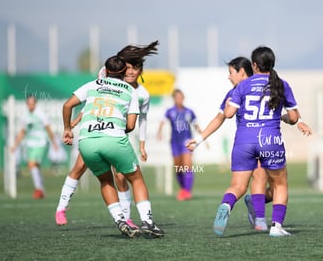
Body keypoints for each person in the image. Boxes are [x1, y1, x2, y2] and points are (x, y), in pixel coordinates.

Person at [187, 57, 311, 232]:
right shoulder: (274, 84)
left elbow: (222, 117)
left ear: (244, 71)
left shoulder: (239, 90)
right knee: (271, 182)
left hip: (244, 142)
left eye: (230, 73)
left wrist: (200, 139)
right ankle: (261, 219)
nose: (228, 77)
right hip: (267, 140)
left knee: (241, 185)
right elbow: (290, 113)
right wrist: (298, 121)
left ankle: (235, 207)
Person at [62, 41, 164, 238]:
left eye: (136, 67)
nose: (132, 71)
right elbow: (132, 125)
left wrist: (69, 127)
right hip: (114, 137)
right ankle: (148, 222)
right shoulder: (131, 92)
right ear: (122, 69)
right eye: (129, 67)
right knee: (136, 178)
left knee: (106, 180)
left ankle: (121, 220)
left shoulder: (96, 82)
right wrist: (114, 126)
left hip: (87, 139)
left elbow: (71, 104)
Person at [157, 89, 203, 201]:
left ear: (183, 98)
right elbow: (162, 122)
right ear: (174, 99)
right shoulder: (170, 111)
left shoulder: (189, 112)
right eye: (177, 97)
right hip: (174, 142)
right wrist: (159, 133)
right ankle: (183, 189)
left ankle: (187, 191)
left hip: (186, 141)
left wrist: (203, 138)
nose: (179, 99)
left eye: (181, 97)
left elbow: (196, 125)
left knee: (187, 165)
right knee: (178, 167)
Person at [11, 95, 58, 199]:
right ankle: (41, 188)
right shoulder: (25, 116)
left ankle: (38, 189)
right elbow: (22, 132)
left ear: (35, 103)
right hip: (29, 144)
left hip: (41, 142)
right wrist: (15, 145)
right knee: (34, 166)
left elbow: (48, 128)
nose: (31, 105)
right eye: (29, 103)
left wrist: (54, 142)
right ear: (27, 104)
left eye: (32, 103)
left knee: (33, 164)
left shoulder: (40, 114)